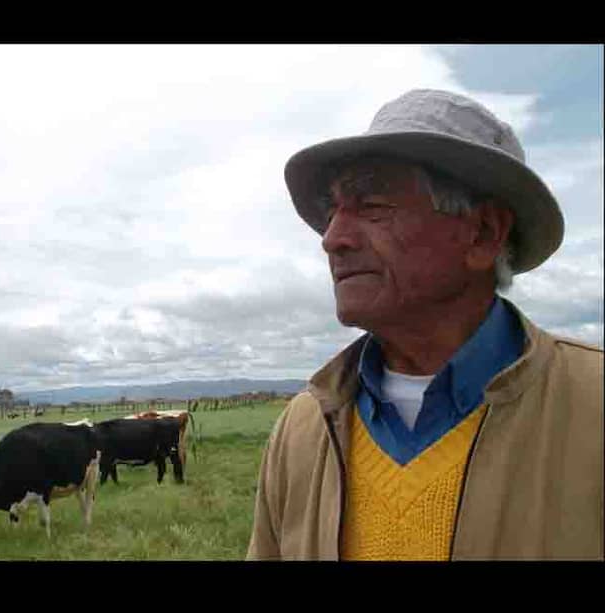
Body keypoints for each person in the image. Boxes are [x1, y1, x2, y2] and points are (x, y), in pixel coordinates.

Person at [246, 89, 603, 561]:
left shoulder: (591, 409)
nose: (332, 239)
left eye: (372, 204)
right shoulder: (304, 428)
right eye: (332, 210)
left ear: (483, 233)